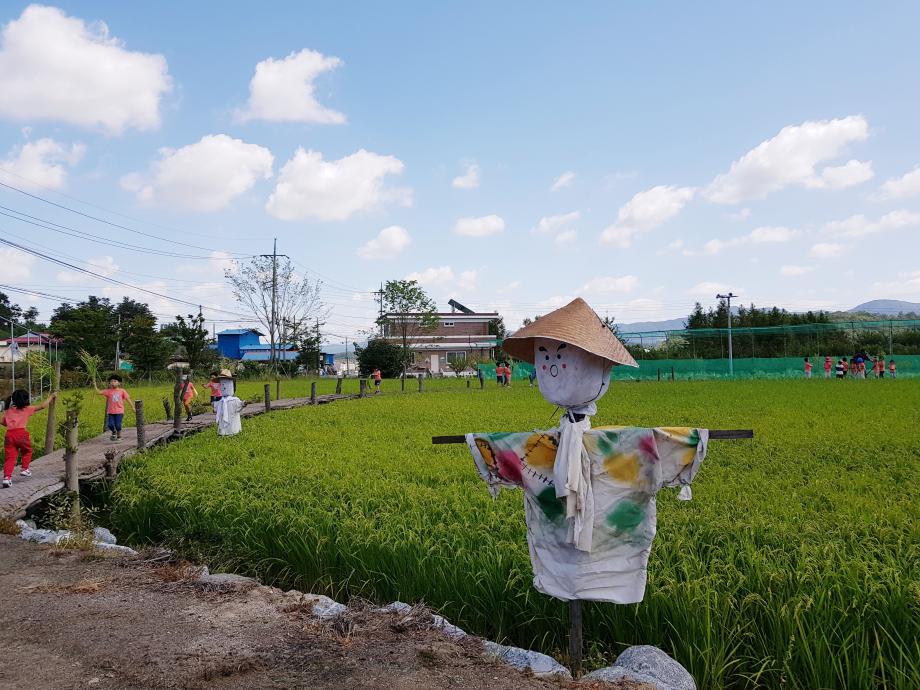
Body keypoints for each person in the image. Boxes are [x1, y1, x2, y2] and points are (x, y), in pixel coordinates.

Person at [2, 390, 56, 488]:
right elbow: (43, 406)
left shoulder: (8, 410)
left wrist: (10, 423)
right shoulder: (27, 409)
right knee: (27, 451)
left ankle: (6, 478)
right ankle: (25, 469)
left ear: (13, 400)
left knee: (10, 458)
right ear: (26, 400)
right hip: (21, 434)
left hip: (9, 435)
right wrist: (51, 397)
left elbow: (2, 422)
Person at [94, 374, 133, 441]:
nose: (113, 383)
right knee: (110, 425)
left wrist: (133, 407)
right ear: (109, 383)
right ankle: (114, 432)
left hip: (119, 411)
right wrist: (94, 384)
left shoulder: (122, 391)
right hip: (111, 411)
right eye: (111, 381)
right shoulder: (108, 391)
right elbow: (98, 392)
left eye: (115, 381)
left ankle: (119, 435)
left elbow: (128, 399)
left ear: (119, 383)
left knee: (118, 425)